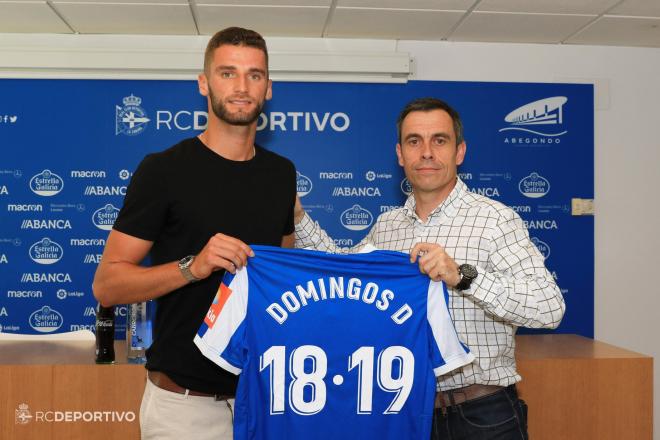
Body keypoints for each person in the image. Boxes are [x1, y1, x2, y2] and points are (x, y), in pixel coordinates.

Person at [294, 97, 565, 439]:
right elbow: (342, 275)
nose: (426, 152)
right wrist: (299, 218)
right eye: (414, 141)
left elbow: (550, 307)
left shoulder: (495, 219)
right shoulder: (386, 226)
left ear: (460, 152)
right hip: (402, 412)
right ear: (400, 154)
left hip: (481, 417)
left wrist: (464, 276)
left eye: (439, 140)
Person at [92, 27, 296, 440]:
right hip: (183, 408)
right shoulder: (163, 170)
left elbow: (282, 275)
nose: (241, 87)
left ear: (269, 88)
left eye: (254, 75)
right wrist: (194, 266)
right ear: (204, 83)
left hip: (262, 401)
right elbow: (107, 285)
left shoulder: (281, 174)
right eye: (227, 73)